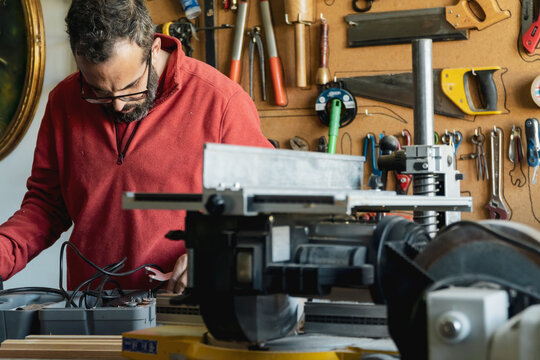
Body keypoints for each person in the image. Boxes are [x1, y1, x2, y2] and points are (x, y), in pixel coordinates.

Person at [0, 0, 272, 294]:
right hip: (90, 308)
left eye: (131, 87)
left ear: (153, 49)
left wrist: (216, 253)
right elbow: (46, 206)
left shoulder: (220, 103)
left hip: (184, 307)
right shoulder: (64, 101)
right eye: (98, 91)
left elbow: (268, 209)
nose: (118, 105)